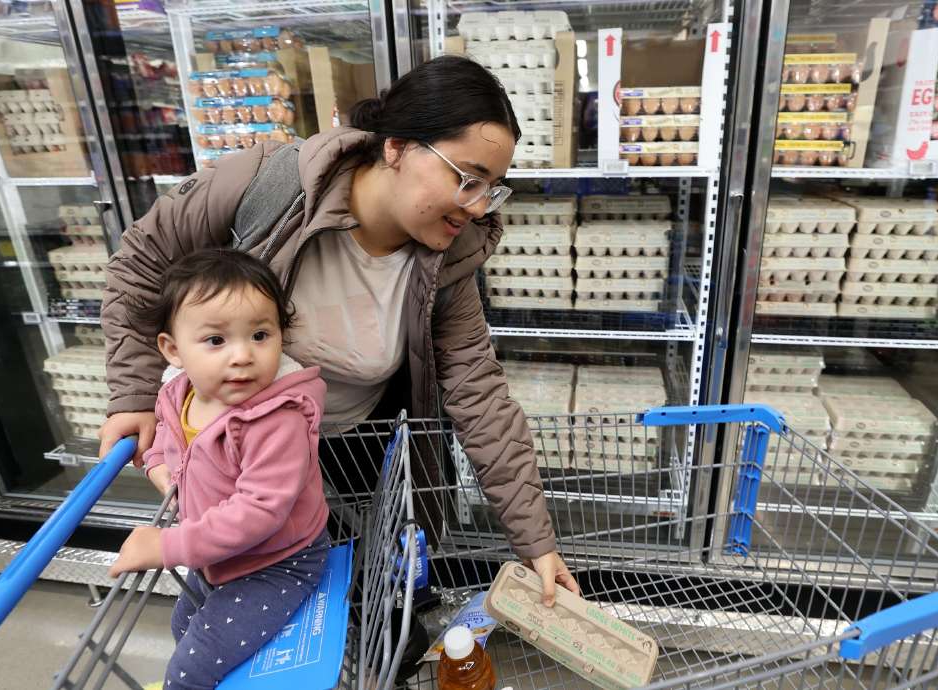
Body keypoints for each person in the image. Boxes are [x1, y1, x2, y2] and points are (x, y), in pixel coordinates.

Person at [99, 55, 579, 605]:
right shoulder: (270, 183)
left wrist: (536, 543)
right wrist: (133, 395)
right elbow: (138, 265)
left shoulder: (449, 262)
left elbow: (480, 395)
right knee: (270, 600)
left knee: (369, 599)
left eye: (492, 189)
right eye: (466, 179)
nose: (475, 206)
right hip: (239, 450)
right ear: (396, 145)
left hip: (356, 450)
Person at [107, 248, 330, 690]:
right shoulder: (179, 396)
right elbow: (172, 443)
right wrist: (156, 464)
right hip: (217, 554)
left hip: (279, 561)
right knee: (182, 629)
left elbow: (260, 512)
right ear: (173, 349)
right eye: (216, 340)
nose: (243, 356)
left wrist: (168, 545)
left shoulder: (276, 419)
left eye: (261, 335)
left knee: (189, 671)